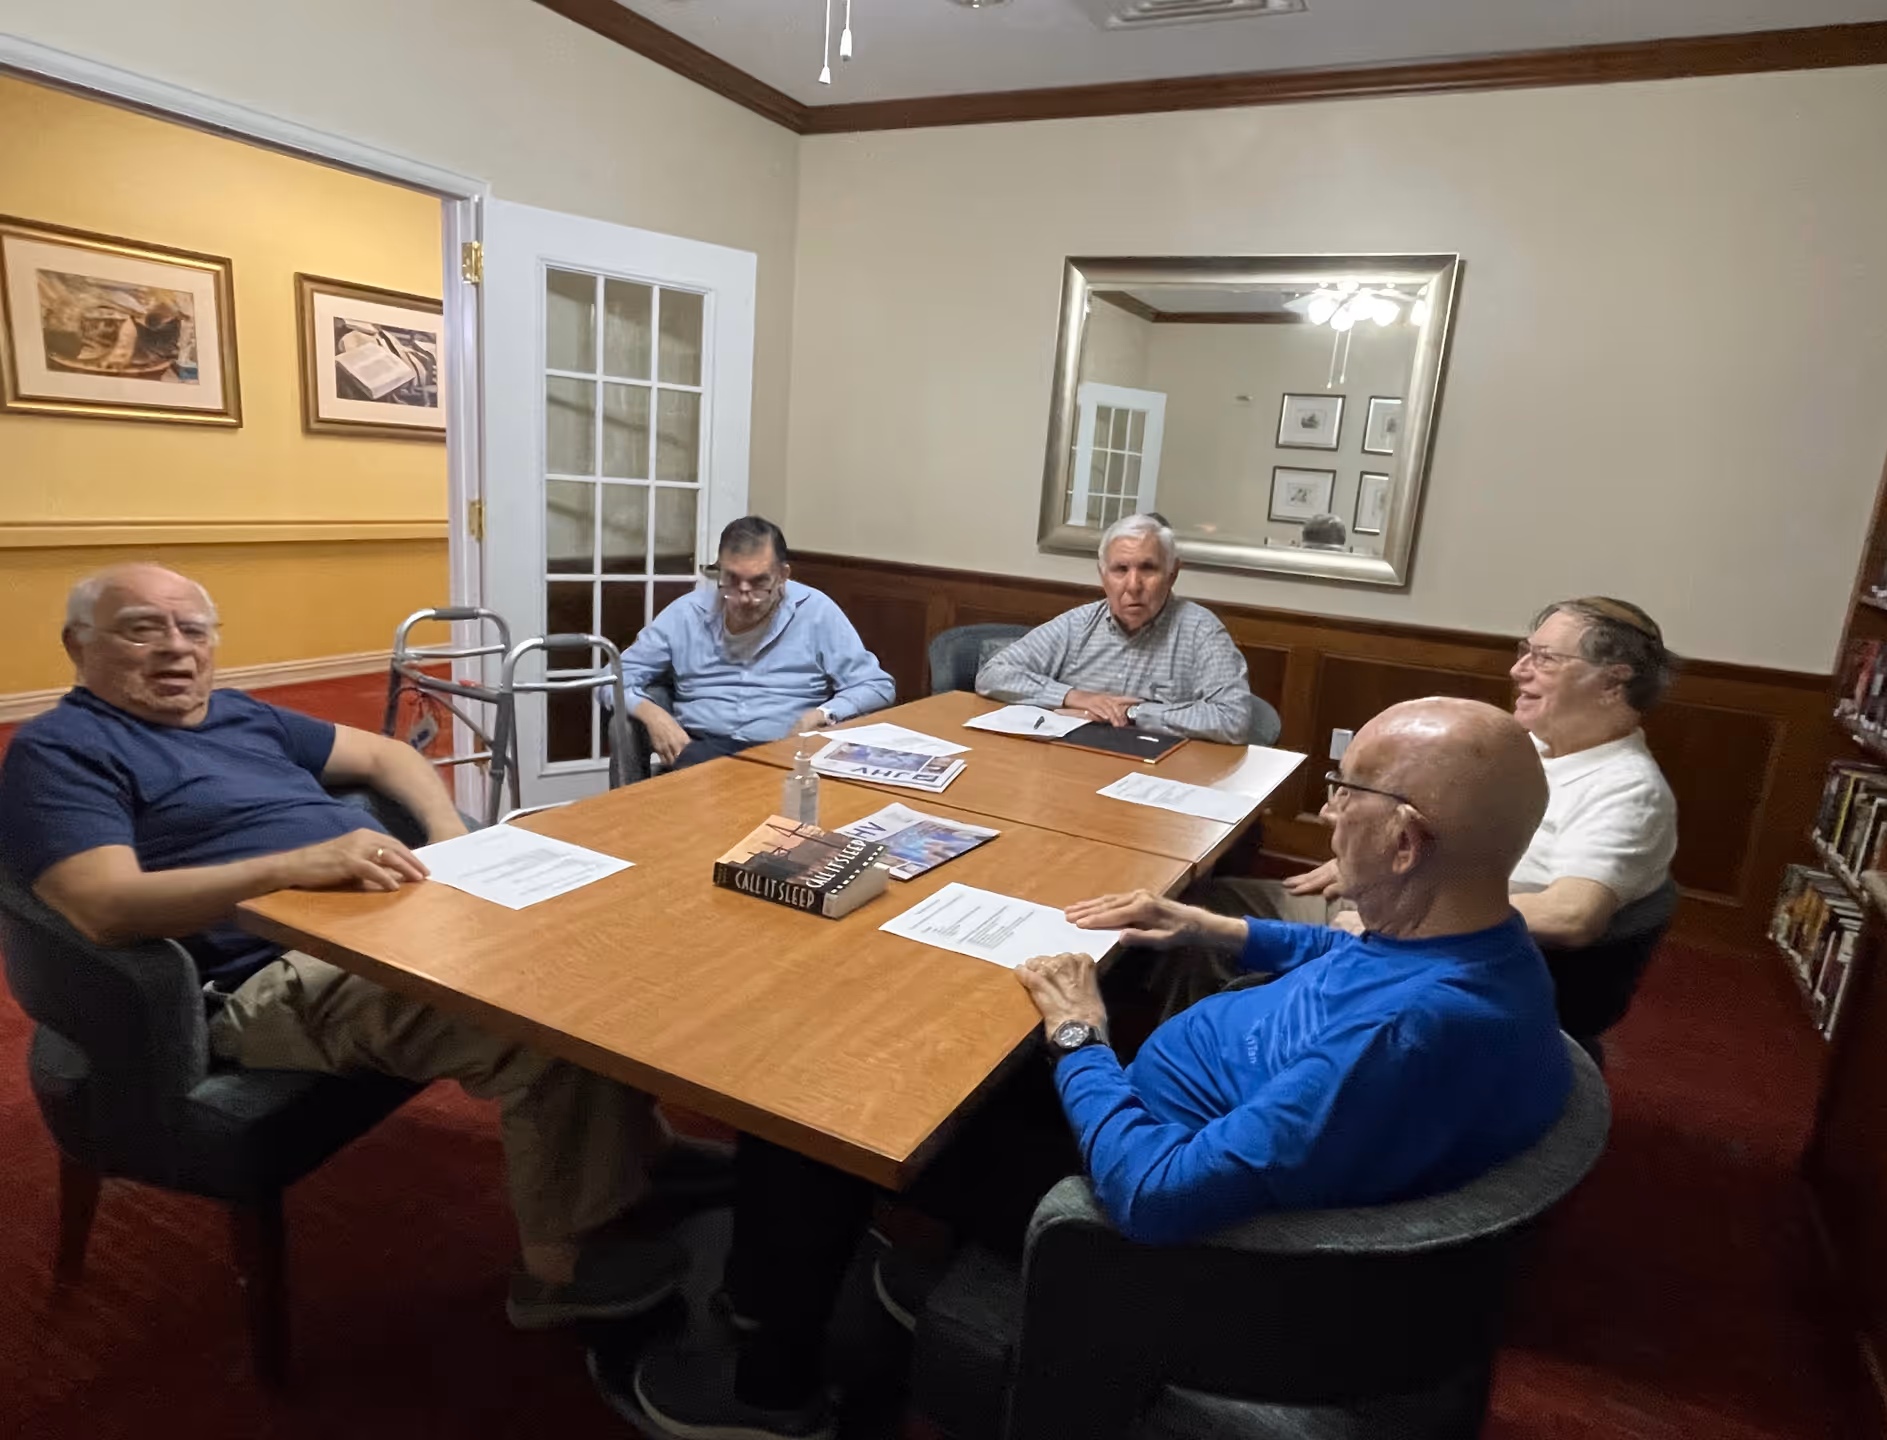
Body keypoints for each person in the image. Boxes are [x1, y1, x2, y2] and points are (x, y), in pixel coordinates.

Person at [610, 697, 1572, 1440]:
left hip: (1140, 1235)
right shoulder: (1482, 946)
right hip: (1175, 1124)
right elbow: (1355, 961)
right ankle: (789, 1267)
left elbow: (1152, 1196)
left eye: (1347, 794)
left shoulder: (1393, 1043)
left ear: (1405, 841)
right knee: (939, 1044)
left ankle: (773, 1387)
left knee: (821, 1102)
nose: (1326, 814)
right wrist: (1216, 927)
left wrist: (1081, 1037)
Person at [0, 563, 729, 1332]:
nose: (175, 649)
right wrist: (290, 869)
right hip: (276, 971)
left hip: (406, 911)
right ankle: (563, 1268)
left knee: (617, 941)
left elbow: (392, 757)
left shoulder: (239, 715)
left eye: (193, 629)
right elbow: (104, 909)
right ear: (78, 646)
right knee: (537, 1016)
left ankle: (641, 1156)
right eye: (142, 628)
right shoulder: (62, 751)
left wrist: (455, 840)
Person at [1284, 597, 1678, 948]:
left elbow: (1571, 915)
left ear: (1613, 682)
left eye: (1545, 659)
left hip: (1431, 948)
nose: (1517, 670)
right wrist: (1371, 862)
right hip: (1397, 905)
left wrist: (1408, 916)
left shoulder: (1628, 790)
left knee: (1229, 927)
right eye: (1525, 652)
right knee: (1236, 906)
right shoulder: (1532, 750)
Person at [618, 517, 895, 769]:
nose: (744, 597)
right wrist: (651, 713)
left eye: (759, 582)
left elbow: (876, 685)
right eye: (732, 580)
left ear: (783, 575)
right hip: (703, 750)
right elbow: (612, 679)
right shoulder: (686, 613)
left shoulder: (816, 611)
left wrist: (824, 713)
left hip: (786, 749)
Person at [975, 512, 1253, 743]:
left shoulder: (1201, 631)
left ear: (1172, 574)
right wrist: (1074, 697)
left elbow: (1233, 718)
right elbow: (993, 673)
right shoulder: (1078, 624)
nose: (1133, 586)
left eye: (1148, 568)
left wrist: (1133, 713)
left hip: (1159, 774)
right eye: (1121, 569)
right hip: (1075, 763)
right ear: (1102, 575)